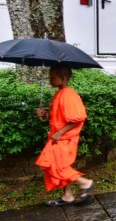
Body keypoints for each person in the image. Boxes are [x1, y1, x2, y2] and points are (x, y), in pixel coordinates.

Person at [35, 66, 94, 206]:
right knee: (57, 164)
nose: (50, 80)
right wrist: (46, 115)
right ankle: (68, 195)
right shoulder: (60, 93)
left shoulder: (68, 95)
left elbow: (78, 118)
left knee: (55, 165)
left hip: (65, 138)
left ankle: (85, 183)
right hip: (57, 137)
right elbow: (60, 117)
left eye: (52, 77)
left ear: (63, 79)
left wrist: (60, 133)